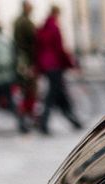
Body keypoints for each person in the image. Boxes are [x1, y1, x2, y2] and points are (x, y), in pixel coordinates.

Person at [34, 5, 82, 134]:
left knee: (59, 94)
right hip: (55, 65)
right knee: (52, 96)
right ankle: (44, 124)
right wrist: (71, 64)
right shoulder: (54, 28)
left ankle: (74, 121)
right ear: (57, 14)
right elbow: (60, 49)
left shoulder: (42, 28)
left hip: (46, 66)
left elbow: (38, 48)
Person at [13, 1, 37, 122]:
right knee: (30, 88)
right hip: (27, 59)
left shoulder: (18, 21)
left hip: (21, 58)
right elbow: (33, 40)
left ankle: (26, 115)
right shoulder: (26, 22)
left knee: (26, 88)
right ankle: (26, 115)